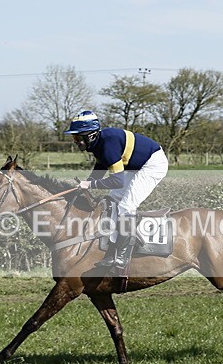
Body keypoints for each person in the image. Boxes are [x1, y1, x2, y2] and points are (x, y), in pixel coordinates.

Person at [63, 110, 168, 274]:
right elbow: (101, 166)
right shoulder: (97, 144)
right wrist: (87, 182)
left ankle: (122, 257)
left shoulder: (108, 144)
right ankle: (112, 247)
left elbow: (117, 181)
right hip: (135, 167)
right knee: (112, 200)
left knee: (127, 206)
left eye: (77, 137)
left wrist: (89, 185)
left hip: (152, 164)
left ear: (90, 135)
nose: (75, 141)